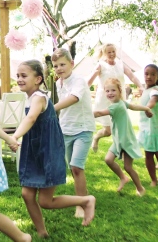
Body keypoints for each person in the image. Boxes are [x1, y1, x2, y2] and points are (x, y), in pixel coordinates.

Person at [11, 59, 96, 238]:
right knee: (27, 194)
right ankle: (42, 232)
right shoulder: (30, 98)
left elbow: (31, 118)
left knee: (45, 201)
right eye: (18, 75)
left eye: (24, 75)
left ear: (38, 79)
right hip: (34, 151)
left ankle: (86, 200)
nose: (19, 79)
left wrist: (15, 136)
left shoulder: (39, 98)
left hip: (47, 152)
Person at [51, 48, 95, 219]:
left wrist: (51, 108)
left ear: (71, 64)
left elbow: (74, 98)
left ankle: (82, 205)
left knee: (77, 167)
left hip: (83, 128)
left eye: (62, 64)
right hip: (66, 129)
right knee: (72, 167)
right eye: (55, 66)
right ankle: (84, 195)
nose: (59, 68)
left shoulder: (78, 80)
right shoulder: (58, 83)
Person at [93, 78, 152, 197]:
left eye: (113, 90)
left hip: (127, 141)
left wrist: (83, 114)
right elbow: (134, 106)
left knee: (128, 167)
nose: (110, 93)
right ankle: (123, 178)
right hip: (118, 141)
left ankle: (140, 188)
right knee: (108, 160)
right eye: (107, 91)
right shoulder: (120, 103)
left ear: (120, 91)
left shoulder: (116, 106)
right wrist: (146, 108)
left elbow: (99, 113)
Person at [87, 43, 143, 153]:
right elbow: (90, 81)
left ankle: (122, 151)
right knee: (108, 131)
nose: (112, 54)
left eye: (113, 51)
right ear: (104, 53)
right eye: (109, 52)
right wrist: (81, 92)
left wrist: (140, 86)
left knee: (121, 127)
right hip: (104, 101)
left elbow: (132, 76)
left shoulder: (121, 64)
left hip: (119, 101)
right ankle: (96, 138)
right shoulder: (100, 65)